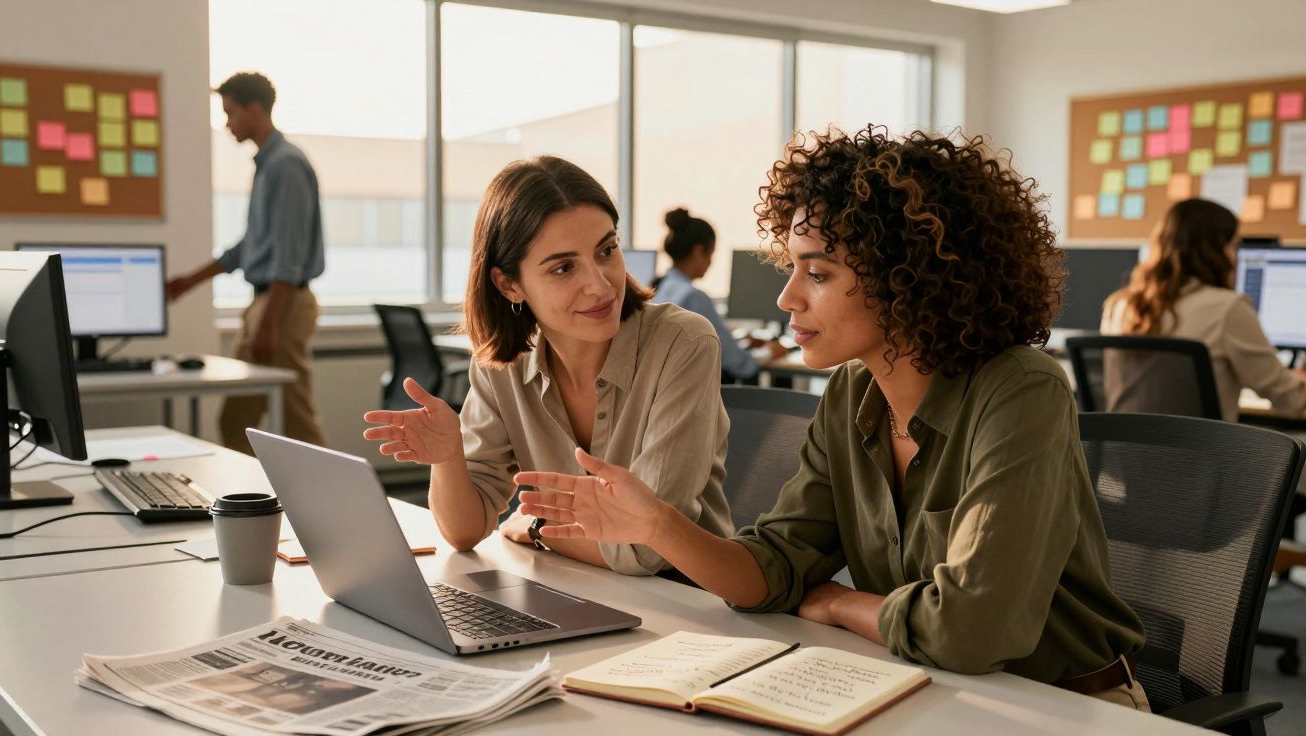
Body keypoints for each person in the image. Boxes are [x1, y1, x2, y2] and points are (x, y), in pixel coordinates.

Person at [516, 127, 1149, 709]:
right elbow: (773, 570)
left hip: (1066, 710)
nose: (788, 297)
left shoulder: (1020, 390)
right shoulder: (852, 394)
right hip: (932, 693)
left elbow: (971, 630)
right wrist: (655, 524)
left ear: (910, 279)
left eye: (817, 273)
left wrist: (844, 602)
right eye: (792, 268)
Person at [361, 156, 733, 575]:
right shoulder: (503, 365)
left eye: (606, 250)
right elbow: (463, 532)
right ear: (509, 284)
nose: (599, 284)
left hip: (688, 606)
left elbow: (649, 549)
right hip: (573, 586)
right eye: (563, 267)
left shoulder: (683, 342)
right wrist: (448, 458)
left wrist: (538, 529)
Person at [166, 72, 326, 454]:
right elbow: (250, 247)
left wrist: (269, 323)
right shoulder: (268, 164)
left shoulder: (285, 165)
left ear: (255, 110)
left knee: (295, 423)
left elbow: (287, 255)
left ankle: (334, 508)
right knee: (237, 421)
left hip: (282, 304)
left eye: (230, 113)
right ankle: (264, 501)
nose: (227, 124)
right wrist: (188, 282)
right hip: (266, 303)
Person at [1100, 198, 1306, 421]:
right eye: (1233, 246)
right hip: (1200, 454)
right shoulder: (1228, 308)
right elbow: (1291, 401)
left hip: (1124, 452)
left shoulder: (1121, 305)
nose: (1236, 257)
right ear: (1214, 251)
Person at [653, 208, 788, 382]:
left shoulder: (660, 287)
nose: (711, 262)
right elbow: (739, 365)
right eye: (711, 253)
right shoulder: (693, 298)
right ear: (698, 251)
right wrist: (770, 351)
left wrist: (738, 342)